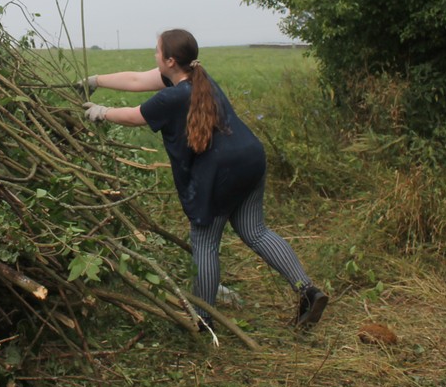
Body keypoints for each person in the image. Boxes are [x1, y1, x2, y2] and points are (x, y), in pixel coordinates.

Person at [79, 28, 327, 332]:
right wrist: (95, 81)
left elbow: (135, 115)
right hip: (250, 157)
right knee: (256, 231)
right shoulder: (197, 77)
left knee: (205, 241)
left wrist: (102, 112)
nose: (154, 56)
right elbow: (135, 80)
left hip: (222, 170)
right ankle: (308, 290)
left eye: (157, 51)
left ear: (170, 60)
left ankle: (203, 318)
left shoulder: (171, 97)